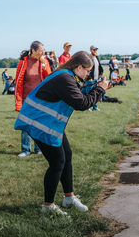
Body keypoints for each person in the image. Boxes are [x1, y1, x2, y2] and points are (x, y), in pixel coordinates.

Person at [14, 51, 110, 214]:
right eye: (87, 70)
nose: (88, 74)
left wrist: (93, 86)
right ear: (78, 67)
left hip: (49, 123)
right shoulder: (64, 78)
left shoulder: (67, 76)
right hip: (39, 124)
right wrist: (100, 90)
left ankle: (68, 198)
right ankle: (48, 206)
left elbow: (78, 93)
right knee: (58, 162)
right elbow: (81, 103)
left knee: (67, 156)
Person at [15, 41, 52, 157]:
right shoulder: (23, 62)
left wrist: (44, 66)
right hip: (27, 98)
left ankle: (39, 148)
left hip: (41, 99)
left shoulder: (44, 61)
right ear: (33, 51)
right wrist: (19, 102)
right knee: (26, 125)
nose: (43, 53)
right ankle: (25, 150)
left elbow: (49, 78)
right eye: (41, 51)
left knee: (39, 124)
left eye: (44, 51)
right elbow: (18, 82)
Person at [87, 45, 103, 112]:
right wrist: (89, 77)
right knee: (89, 93)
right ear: (91, 50)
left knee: (95, 93)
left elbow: (99, 68)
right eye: (94, 49)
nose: (95, 51)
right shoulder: (89, 58)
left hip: (96, 79)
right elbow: (87, 68)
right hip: (90, 79)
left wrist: (100, 75)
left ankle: (95, 107)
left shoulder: (96, 57)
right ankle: (87, 106)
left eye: (96, 50)